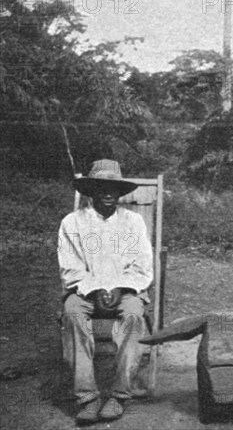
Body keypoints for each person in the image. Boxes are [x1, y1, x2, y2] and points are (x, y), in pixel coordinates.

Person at [58, 159, 153, 424]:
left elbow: (142, 264)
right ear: (91, 190)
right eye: (101, 186)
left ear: (120, 192)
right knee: (73, 313)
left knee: (134, 316)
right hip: (85, 291)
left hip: (127, 290)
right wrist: (95, 288)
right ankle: (87, 397)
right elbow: (70, 268)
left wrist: (121, 288)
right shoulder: (72, 222)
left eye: (113, 187)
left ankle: (119, 394)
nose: (108, 193)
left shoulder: (133, 222)